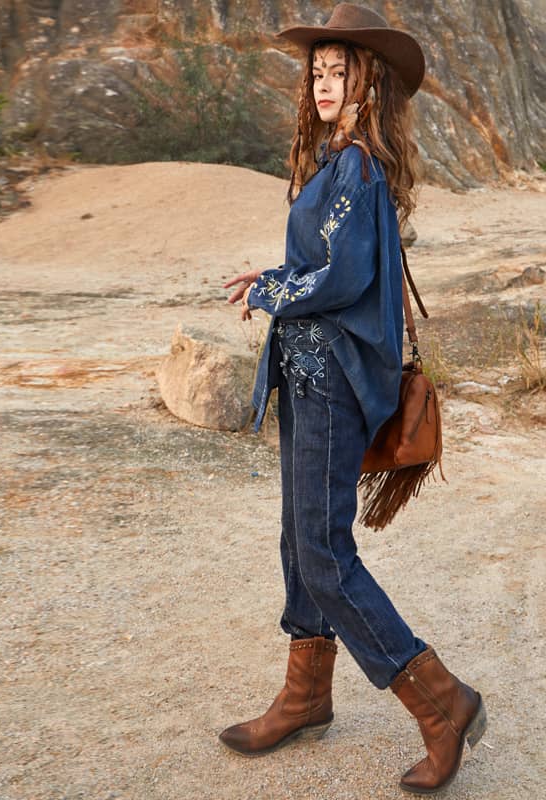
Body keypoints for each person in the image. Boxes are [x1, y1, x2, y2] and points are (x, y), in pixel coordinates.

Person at [220, 4, 486, 793]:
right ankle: (306, 695)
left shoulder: (361, 165)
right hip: (305, 376)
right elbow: (329, 264)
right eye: (318, 71)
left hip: (333, 379)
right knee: (298, 546)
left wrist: (269, 285)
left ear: (368, 85)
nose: (324, 82)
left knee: (327, 554)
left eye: (340, 72)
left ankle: (442, 702)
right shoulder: (333, 163)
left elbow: (341, 277)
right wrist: (273, 285)